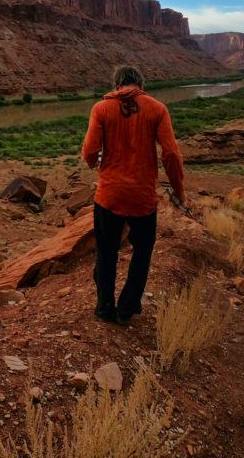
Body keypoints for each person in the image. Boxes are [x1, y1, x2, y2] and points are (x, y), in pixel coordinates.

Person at [80, 64, 189, 324]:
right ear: (140, 84)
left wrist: (95, 164)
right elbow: (171, 154)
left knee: (106, 252)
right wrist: (179, 190)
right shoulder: (158, 109)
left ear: (117, 84)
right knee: (142, 251)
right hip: (143, 196)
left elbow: (89, 150)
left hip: (109, 195)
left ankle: (104, 308)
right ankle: (127, 307)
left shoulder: (101, 109)